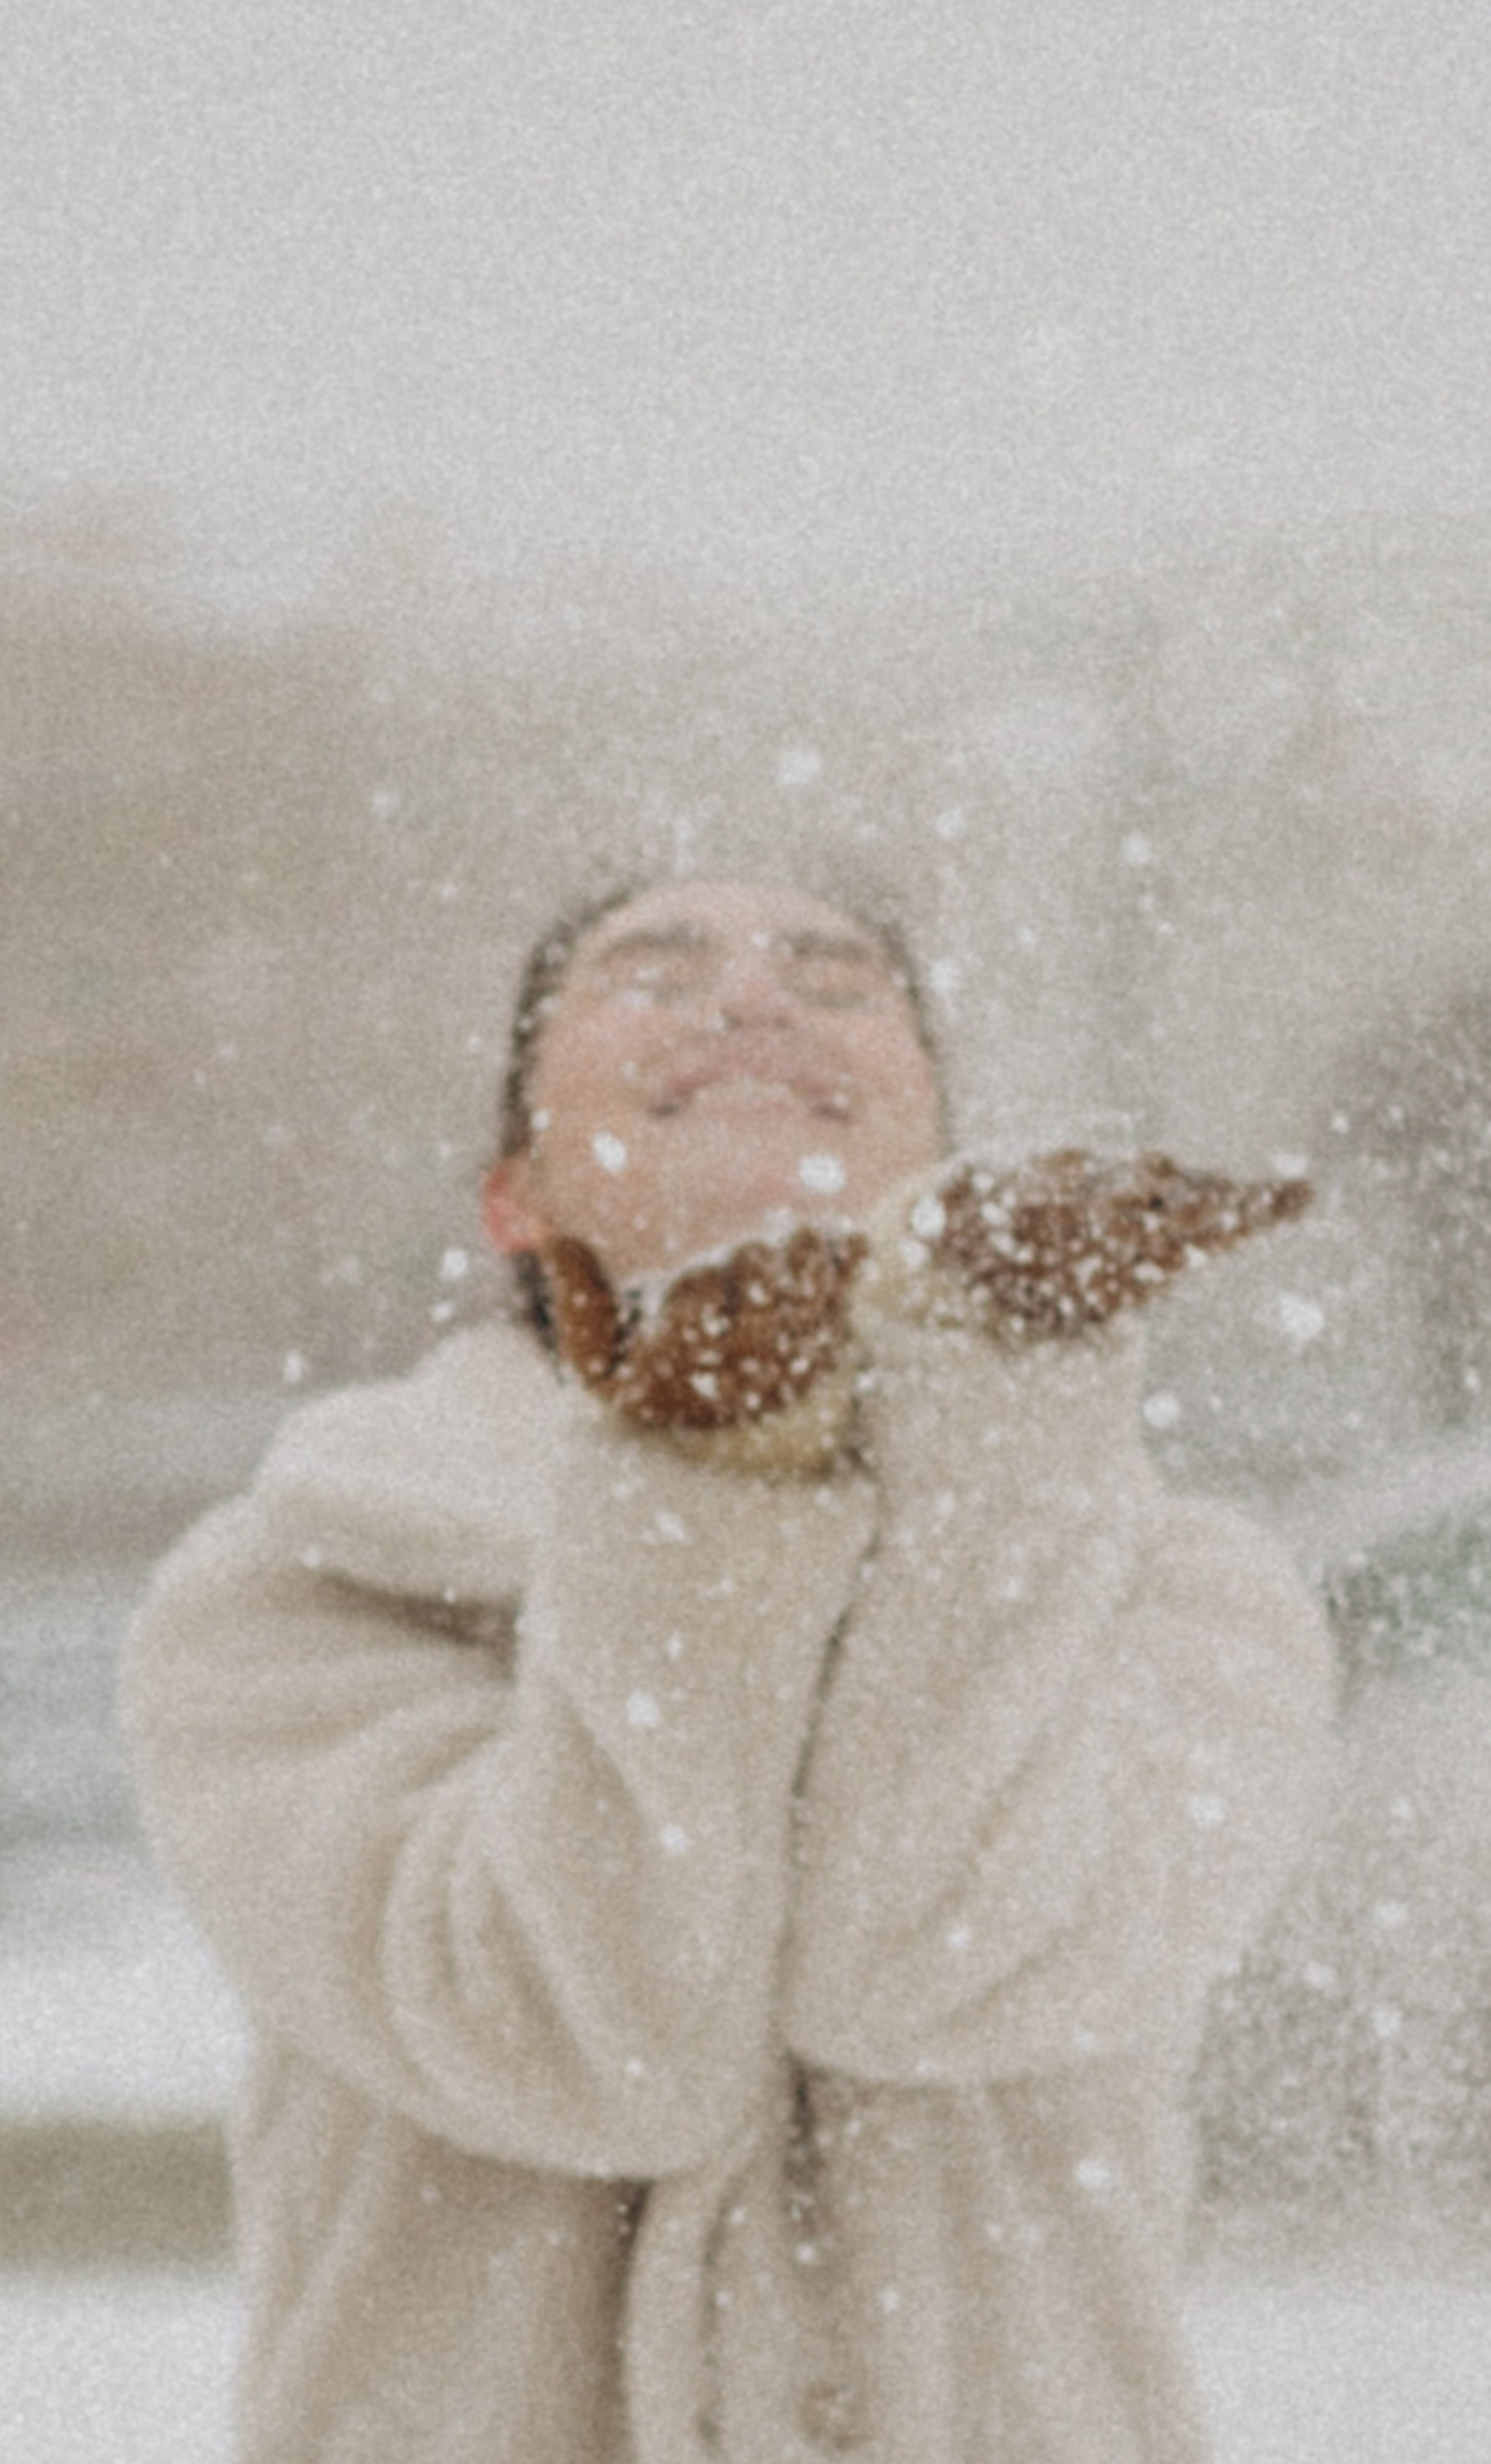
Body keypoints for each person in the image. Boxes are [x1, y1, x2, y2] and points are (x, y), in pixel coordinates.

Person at [121, 876, 1334, 2464]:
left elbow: (936, 1966)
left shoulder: (1184, 1600)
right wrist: (709, 1474)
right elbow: (594, 2045)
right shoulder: (296, 1593)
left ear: (946, 1161)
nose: (756, 1000)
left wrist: (1004, 1400)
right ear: (514, 1196)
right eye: (656, 970)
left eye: (835, 978)